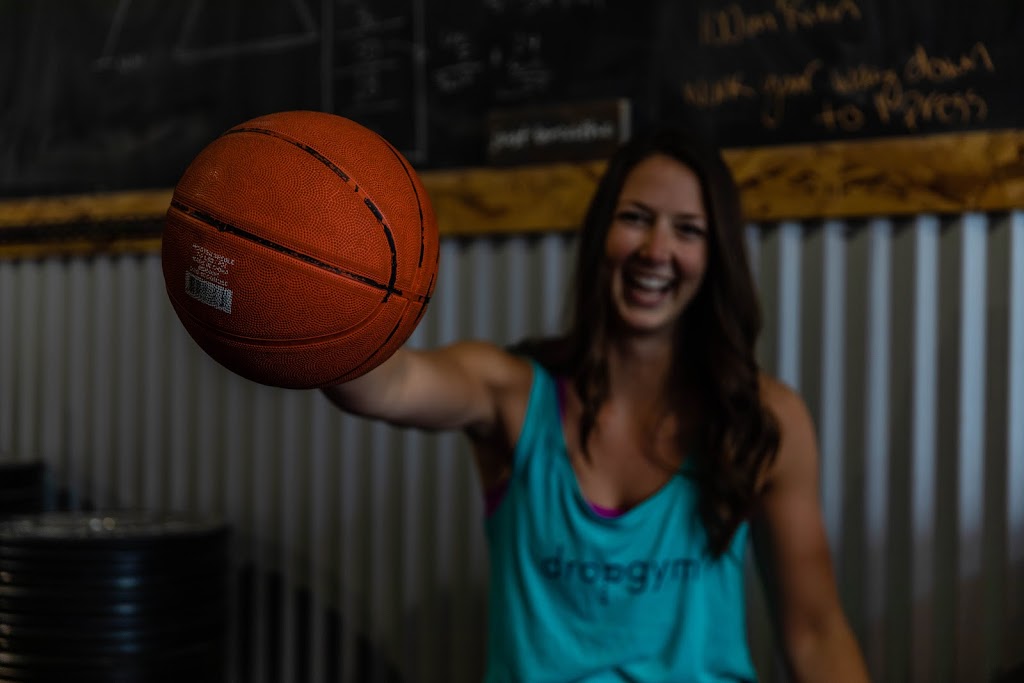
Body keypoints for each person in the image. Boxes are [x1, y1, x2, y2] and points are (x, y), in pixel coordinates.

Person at [322, 125, 871, 682]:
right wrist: (315, 290)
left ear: (716, 256)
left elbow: (816, 635)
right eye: (635, 218)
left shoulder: (764, 419)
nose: (656, 250)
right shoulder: (509, 393)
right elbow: (385, 386)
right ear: (600, 232)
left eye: (688, 230)